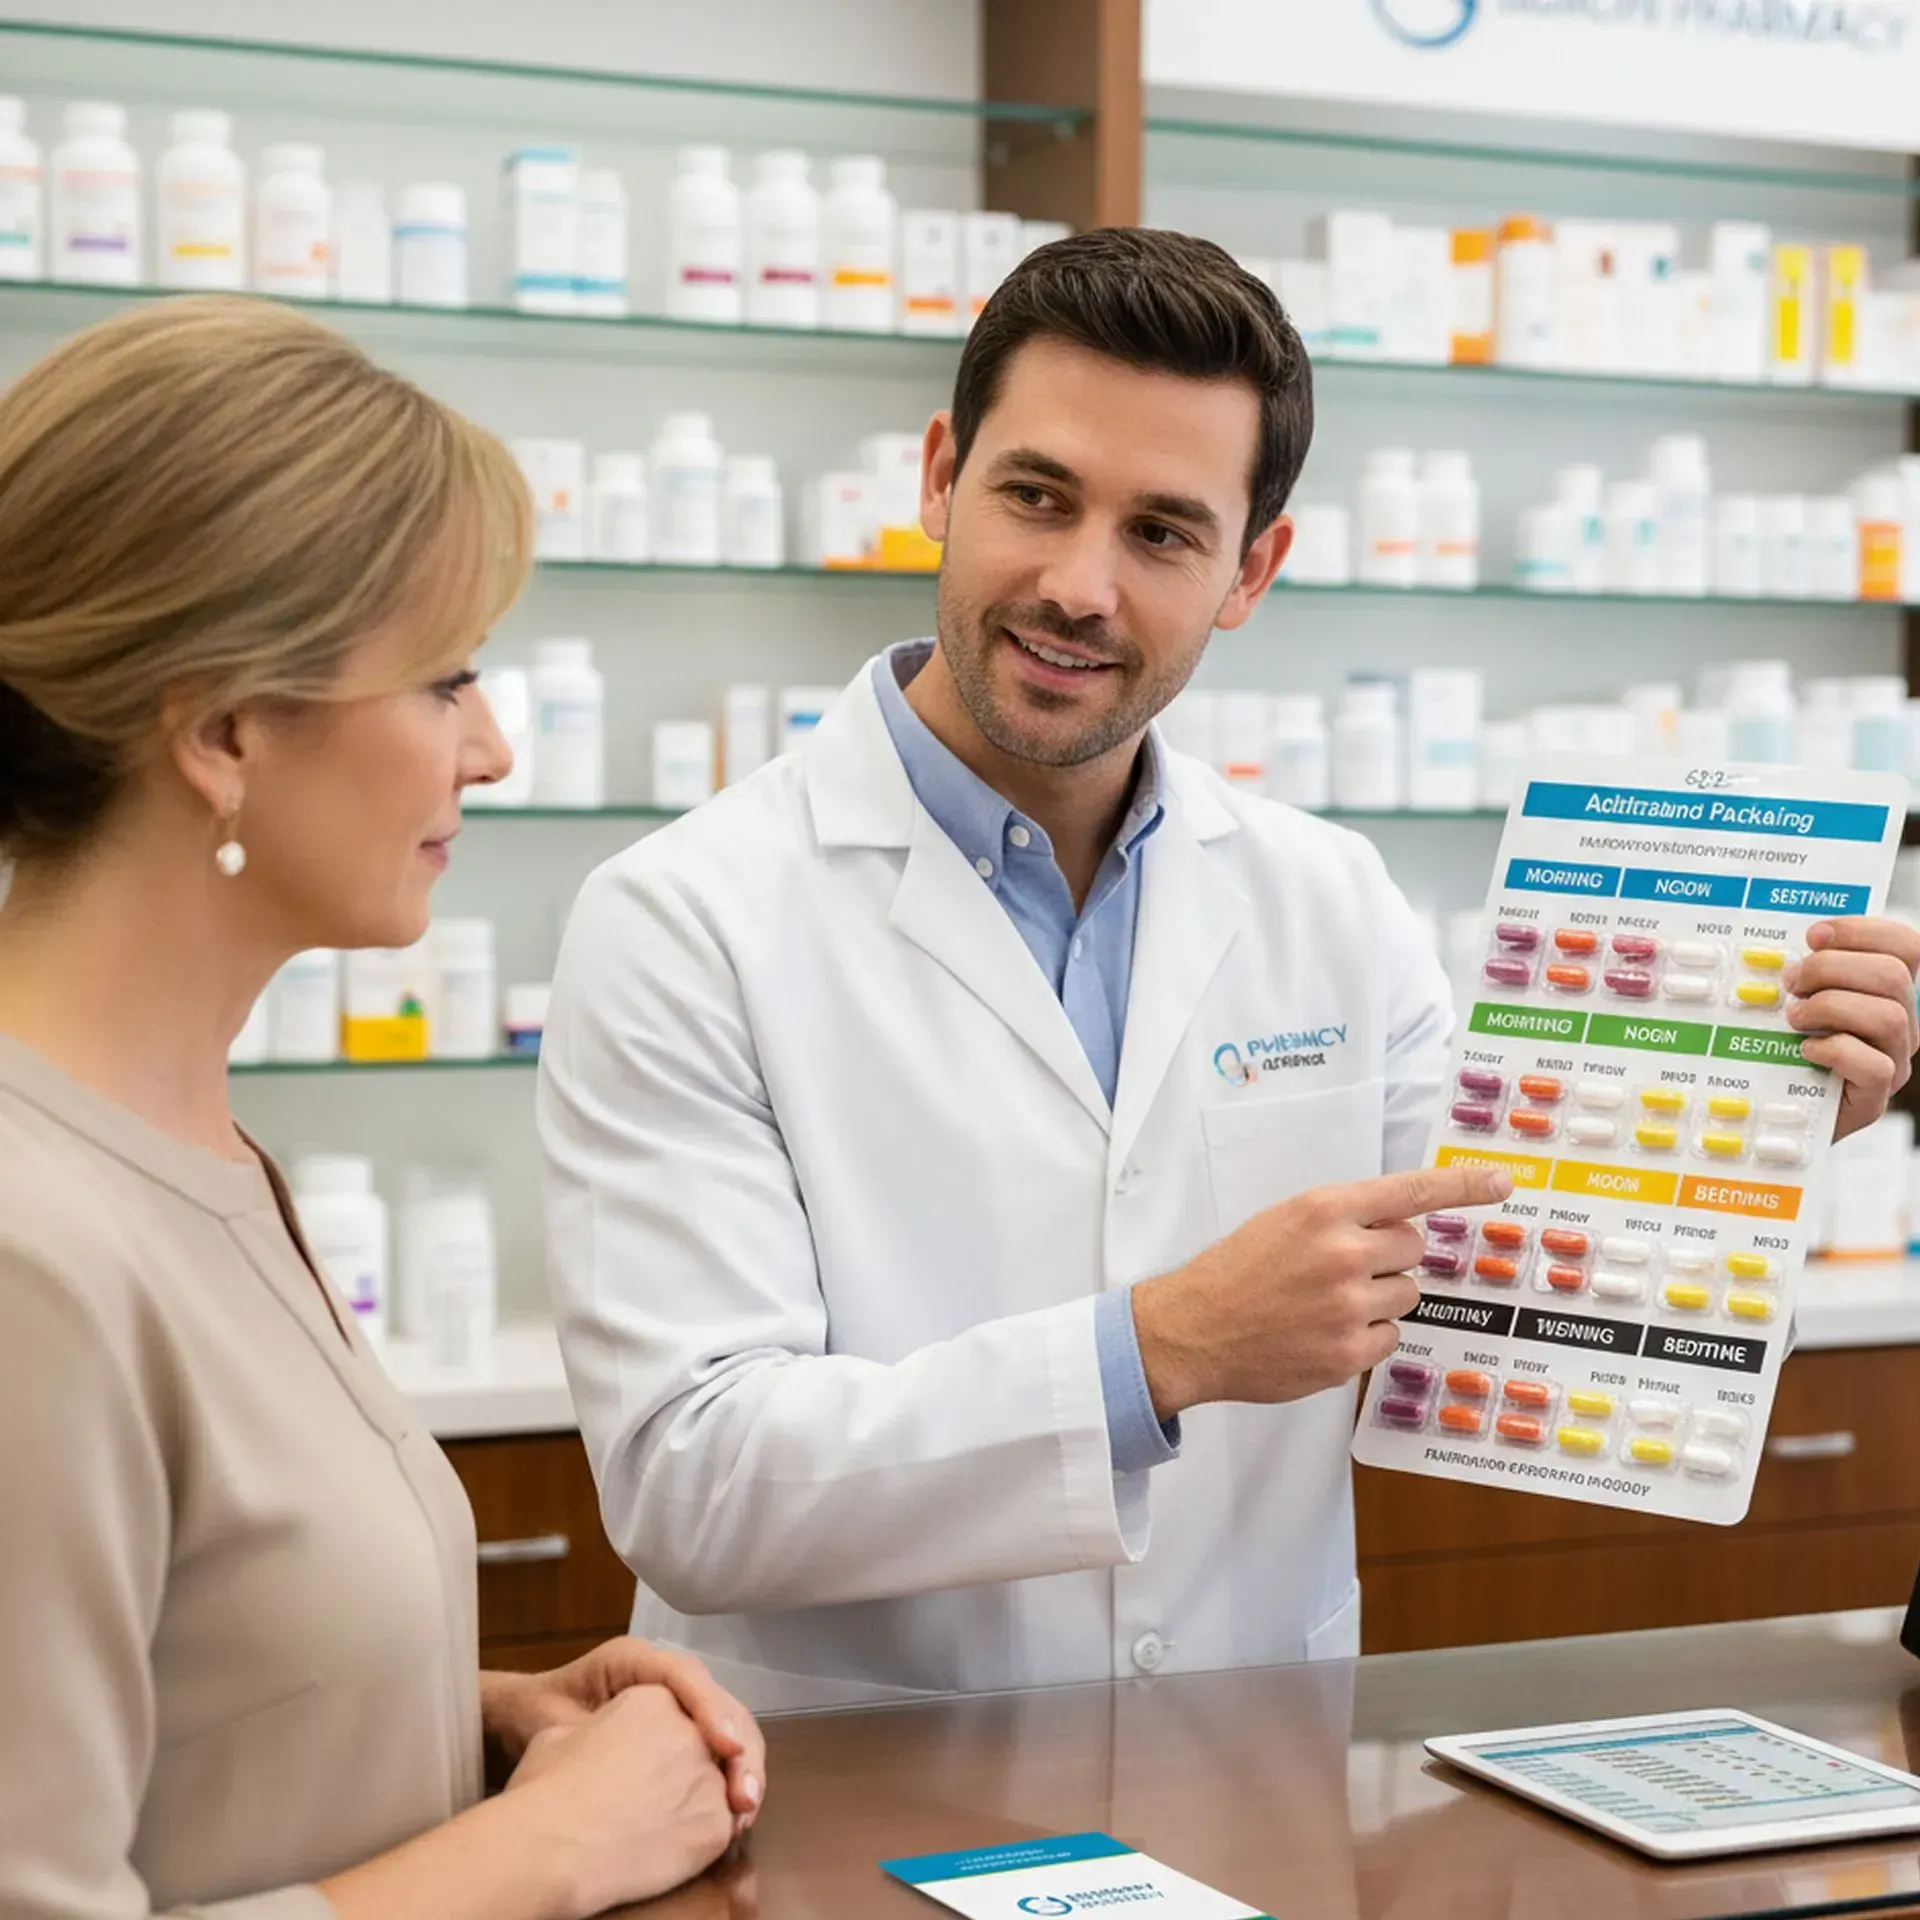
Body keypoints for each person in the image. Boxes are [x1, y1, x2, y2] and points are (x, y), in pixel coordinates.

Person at [540, 229, 1920, 1711]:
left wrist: (1745, 1112)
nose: (1079, 585)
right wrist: (1158, 1351)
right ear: (940, 475)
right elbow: (693, 1480)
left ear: (1251, 568)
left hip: (1247, 1768)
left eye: (1163, 533)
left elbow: (1487, 1304)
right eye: (1036, 496)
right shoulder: (683, 918)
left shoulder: (1330, 899)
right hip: (846, 1793)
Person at [0, 297, 765, 1920]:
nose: (489, 749)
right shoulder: (28, 1255)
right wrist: (554, 1848)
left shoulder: (192, 1152)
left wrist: (485, 1723)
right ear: (220, 732)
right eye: (447, 681)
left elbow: (171, 1685)